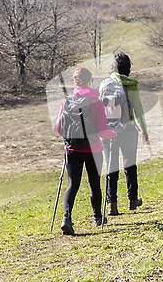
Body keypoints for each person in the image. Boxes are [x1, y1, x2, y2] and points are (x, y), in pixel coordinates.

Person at [55, 67, 116, 235]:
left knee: (72, 184)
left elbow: (59, 128)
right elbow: (103, 130)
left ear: (75, 83)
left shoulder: (67, 101)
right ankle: (98, 216)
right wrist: (113, 134)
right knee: (94, 182)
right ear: (90, 81)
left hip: (72, 148)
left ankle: (66, 218)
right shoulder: (96, 102)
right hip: (93, 149)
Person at [99, 53, 148, 216]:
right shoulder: (132, 84)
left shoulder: (104, 84)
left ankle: (112, 204)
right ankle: (132, 200)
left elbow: (100, 108)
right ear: (128, 68)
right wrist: (144, 130)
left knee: (111, 166)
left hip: (108, 131)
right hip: (128, 129)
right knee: (130, 164)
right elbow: (138, 110)